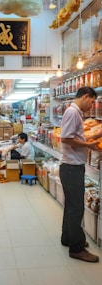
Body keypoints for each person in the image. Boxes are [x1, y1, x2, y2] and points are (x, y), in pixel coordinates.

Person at [60, 86, 102, 263]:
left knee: (71, 205)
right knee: (76, 208)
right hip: (71, 167)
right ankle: (76, 249)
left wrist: (94, 136)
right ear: (86, 96)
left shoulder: (75, 113)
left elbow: (76, 136)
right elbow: (66, 138)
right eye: (92, 102)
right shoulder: (72, 112)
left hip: (71, 167)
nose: (92, 106)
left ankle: (68, 238)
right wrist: (89, 146)